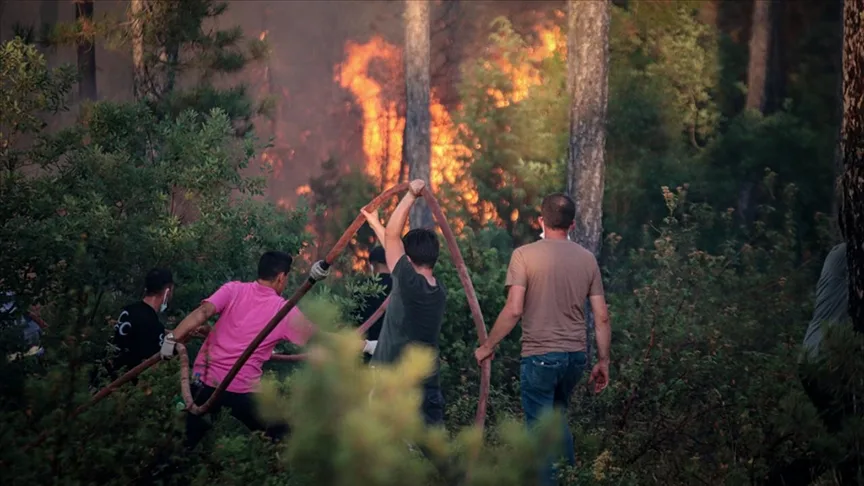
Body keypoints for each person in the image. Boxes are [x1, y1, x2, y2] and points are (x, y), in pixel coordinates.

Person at [474, 193, 612, 486]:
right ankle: (572, 478)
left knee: (539, 434)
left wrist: (488, 346)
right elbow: (601, 317)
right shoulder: (587, 260)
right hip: (575, 358)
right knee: (557, 419)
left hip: (539, 357)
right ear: (572, 224)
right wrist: (603, 361)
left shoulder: (524, 255)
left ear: (541, 220)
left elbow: (513, 310)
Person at [161, 251, 330, 449]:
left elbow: (203, 312)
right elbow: (317, 337)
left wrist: (171, 338)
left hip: (204, 380)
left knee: (180, 444)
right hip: (240, 390)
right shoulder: (283, 310)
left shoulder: (233, 289)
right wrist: (363, 345)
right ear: (281, 277)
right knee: (284, 437)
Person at [765, 242, 860, 485]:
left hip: (814, 358)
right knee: (850, 445)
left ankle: (781, 480)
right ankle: (781, 481)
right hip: (832, 363)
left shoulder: (839, 252)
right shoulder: (851, 253)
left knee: (842, 443)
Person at [370, 179, 447, 427]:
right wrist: (374, 222)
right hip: (427, 382)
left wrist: (411, 195)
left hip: (395, 383)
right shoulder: (437, 289)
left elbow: (393, 237)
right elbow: (394, 248)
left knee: (381, 450)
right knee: (437, 453)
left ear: (408, 258)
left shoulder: (409, 283)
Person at [109, 268, 174, 373]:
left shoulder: (128, 310)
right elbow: (156, 366)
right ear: (167, 291)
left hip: (107, 376)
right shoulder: (154, 326)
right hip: (127, 384)